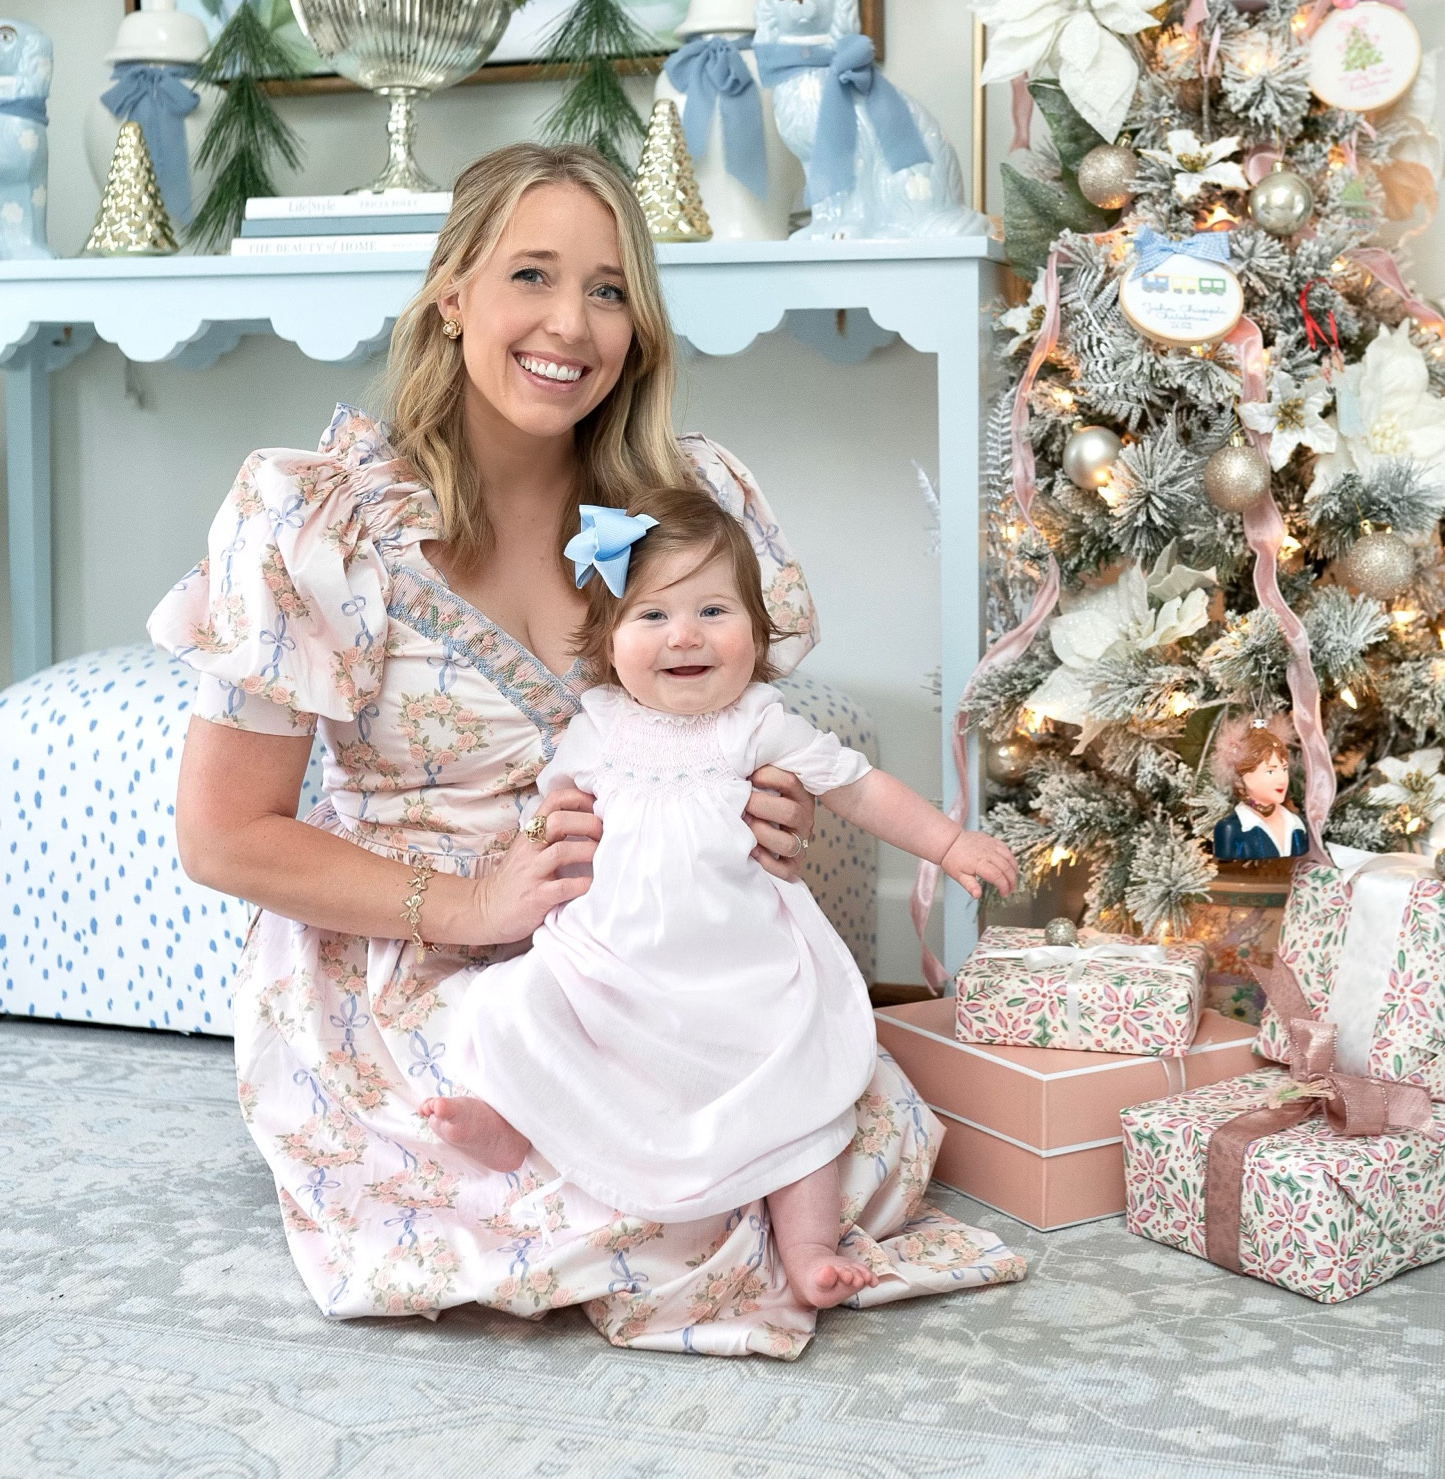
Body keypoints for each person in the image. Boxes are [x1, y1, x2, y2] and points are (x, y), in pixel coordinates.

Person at [152, 142, 1024, 1356]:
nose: (573, 322)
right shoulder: (318, 520)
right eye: (532, 275)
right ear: (452, 293)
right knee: (632, 1211)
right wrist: (467, 903)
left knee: (846, 1134)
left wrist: (772, 811)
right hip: (416, 962)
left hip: (651, 955)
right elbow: (221, 833)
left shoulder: (679, 510)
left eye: (610, 289)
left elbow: (730, 735)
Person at [428, 487, 1017, 1309]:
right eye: (651, 616)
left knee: (802, 1096)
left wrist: (948, 842)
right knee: (509, 1005)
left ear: (757, 632)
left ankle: (808, 1248)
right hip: (608, 963)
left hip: (742, 972)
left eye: (713, 609)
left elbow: (860, 789)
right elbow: (549, 818)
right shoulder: (595, 724)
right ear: (605, 640)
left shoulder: (757, 724)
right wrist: (535, 840)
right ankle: (510, 1124)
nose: (686, 635)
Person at [1211, 716, 1309, 861]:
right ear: (1244, 776)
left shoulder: (1296, 824)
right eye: (1270, 771)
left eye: (1284, 769)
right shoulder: (1230, 829)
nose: (1282, 779)